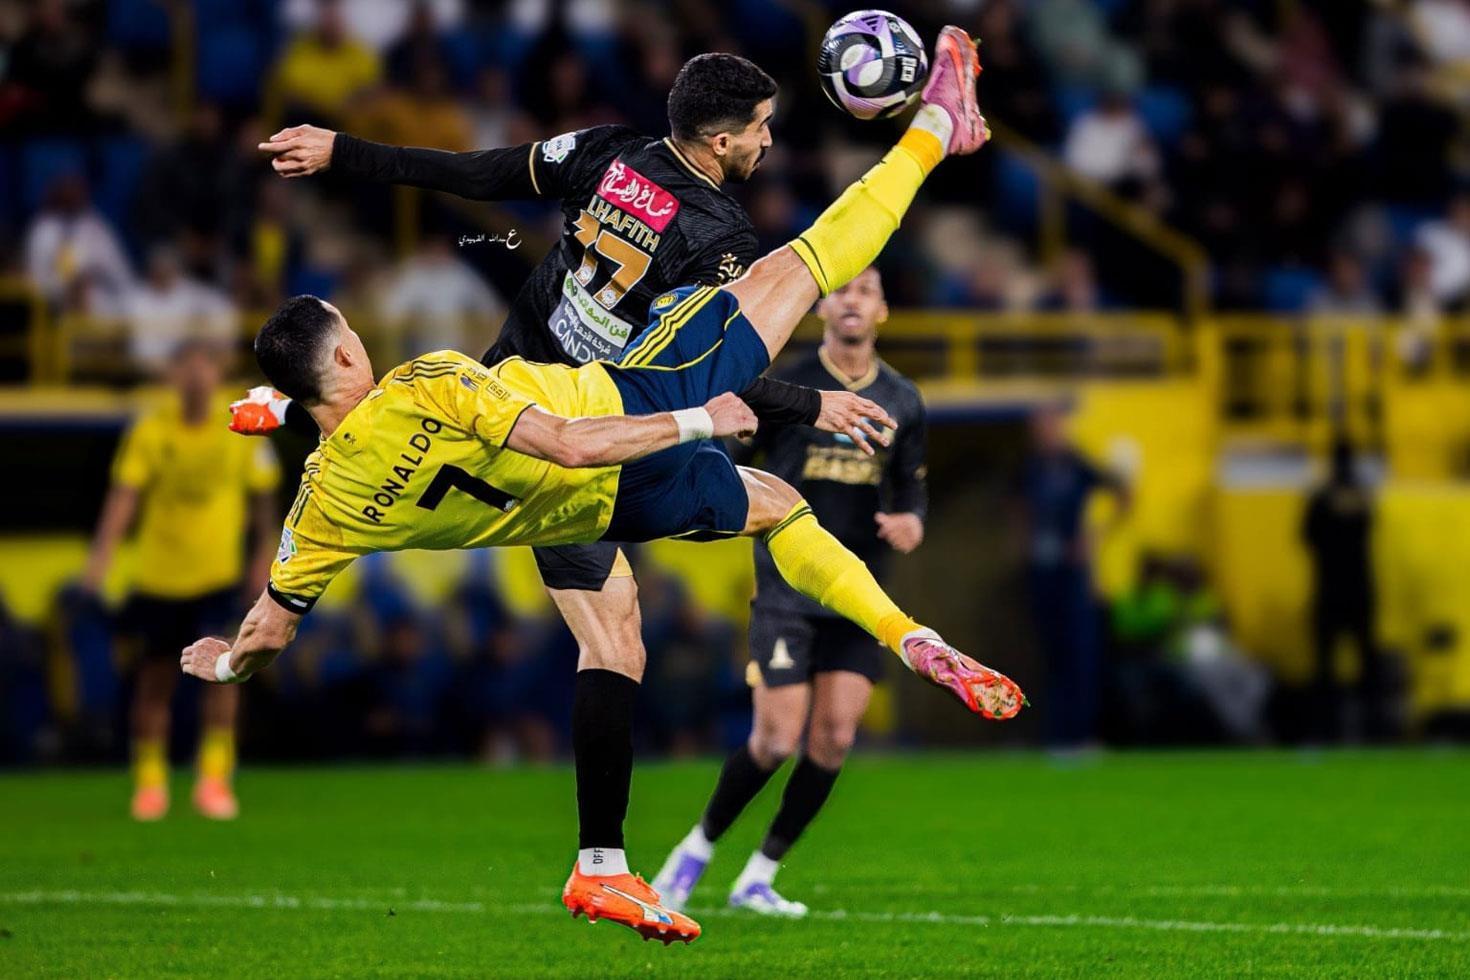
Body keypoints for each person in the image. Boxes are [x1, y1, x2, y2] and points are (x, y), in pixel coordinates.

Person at [184, 27, 1012, 944]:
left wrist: (224, 660)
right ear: (722, 139)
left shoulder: (322, 507)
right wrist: (780, 406)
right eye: (762, 128)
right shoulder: (702, 239)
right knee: (806, 269)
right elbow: (677, 386)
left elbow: (485, 175)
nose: (769, 142)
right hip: (603, 427)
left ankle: (603, 865)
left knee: (617, 645)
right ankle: (936, 121)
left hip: (540, 491)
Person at [650, 266, 927, 917]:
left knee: (833, 738)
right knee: (774, 739)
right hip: (786, 587)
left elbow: (909, 484)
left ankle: (761, 873)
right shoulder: (794, 384)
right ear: (824, 307)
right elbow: (742, 454)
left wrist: (911, 516)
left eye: (868, 292)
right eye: (844, 290)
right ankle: (694, 850)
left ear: (882, 311)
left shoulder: (904, 398)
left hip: (860, 594)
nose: (854, 301)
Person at [83, 341, 280, 820]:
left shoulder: (242, 423)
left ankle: (214, 778)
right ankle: (150, 783)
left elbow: (264, 503)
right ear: (172, 373)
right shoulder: (151, 430)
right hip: (158, 578)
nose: (196, 375)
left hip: (217, 576)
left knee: (225, 676)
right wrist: (102, 555)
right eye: (186, 365)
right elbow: (124, 496)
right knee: (154, 682)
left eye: (205, 365)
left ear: (218, 371)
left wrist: (264, 558)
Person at [1017, 404, 1129, 750]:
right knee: (1050, 655)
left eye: (1051, 426)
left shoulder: (1077, 464)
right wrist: (1021, 541)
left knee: (1080, 653)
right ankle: (1056, 736)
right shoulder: (1029, 469)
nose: (1046, 433)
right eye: (1040, 427)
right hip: (1041, 573)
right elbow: (1014, 506)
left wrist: (1094, 538)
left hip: (1073, 574)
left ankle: (1082, 735)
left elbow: (1123, 494)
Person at [1302, 438, 1382, 741]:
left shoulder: (1322, 496)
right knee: (1362, 661)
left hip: (1332, 589)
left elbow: (1306, 536)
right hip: (1358, 588)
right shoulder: (1361, 496)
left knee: (1328, 664)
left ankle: (1331, 729)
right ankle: (1372, 731)